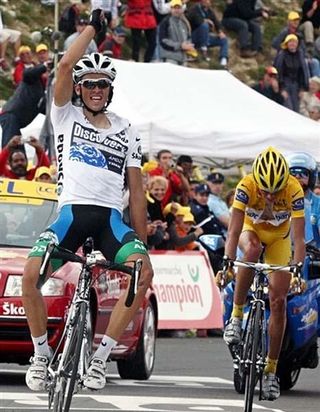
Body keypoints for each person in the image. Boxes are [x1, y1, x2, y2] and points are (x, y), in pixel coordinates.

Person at [22, 8, 153, 392]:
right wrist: (93, 27)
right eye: (90, 83)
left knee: (143, 273)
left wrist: (142, 240)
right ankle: (41, 356)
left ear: (110, 91)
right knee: (31, 276)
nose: (96, 89)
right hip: (71, 214)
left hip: (112, 219)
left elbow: (138, 193)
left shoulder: (127, 130)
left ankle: (98, 360)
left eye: (103, 85)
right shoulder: (66, 116)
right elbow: (64, 65)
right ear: (80, 88)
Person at [222, 146, 305, 401]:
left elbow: (299, 239)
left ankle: (270, 371)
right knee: (252, 250)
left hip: (280, 238)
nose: (269, 196)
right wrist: (227, 262)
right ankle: (236, 317)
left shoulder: (294, 189)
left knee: (278, 302)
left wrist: (298, 271)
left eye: (275, 190)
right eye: (265, 190)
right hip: (251, 230)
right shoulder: (246, 186)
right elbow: (234, 232)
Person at [0, 58, 52, 148]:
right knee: (11, 149)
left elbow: (50, 110)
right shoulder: (31, 80)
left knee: (19, 151)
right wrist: (45, 66)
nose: (47, 74)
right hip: (10, 115)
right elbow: (27, 73)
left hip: (16, 121)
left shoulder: (42, 96)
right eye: (46, 72)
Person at [286, 152, 320, 247]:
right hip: (280, 252)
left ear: (312, 177)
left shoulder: (318, 203)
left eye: (303, 173)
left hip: (313, 255)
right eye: (292, 173)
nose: (297, 177)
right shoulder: (276, 201)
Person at [274, 34, 310, 113]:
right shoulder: (282, 54)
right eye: (290, 42)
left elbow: (303, 72)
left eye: (294, 42)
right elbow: (278, 72)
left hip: (296, 85)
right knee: (288, 108)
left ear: (297, 44)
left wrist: (302, 88)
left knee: (296, 109)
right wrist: (282, 89)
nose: (292, 44)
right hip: (285, 84)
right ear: (286, 44)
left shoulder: (300, 54)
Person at [186, 0, 229, 66]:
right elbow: (196, 20)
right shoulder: (194, 9)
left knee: (224, 39)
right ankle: (203, 49)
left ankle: (223, 59)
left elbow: (217, 22)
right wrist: (205, 20)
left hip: (206, 38)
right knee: (204, 25)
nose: (207, 1)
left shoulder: (209, 11)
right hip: (194, 38)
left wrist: (220, 31)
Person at [159, 0, 196, 66]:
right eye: (174, 8)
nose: (176, 10)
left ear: (182, 9)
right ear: (170, 9)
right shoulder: (165, 22)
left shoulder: (184, 23)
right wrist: (180, 46)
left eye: (178, 8)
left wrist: (189, 47)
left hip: (183, 59)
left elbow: (188, 38)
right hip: (170, 58)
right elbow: (163, 41)